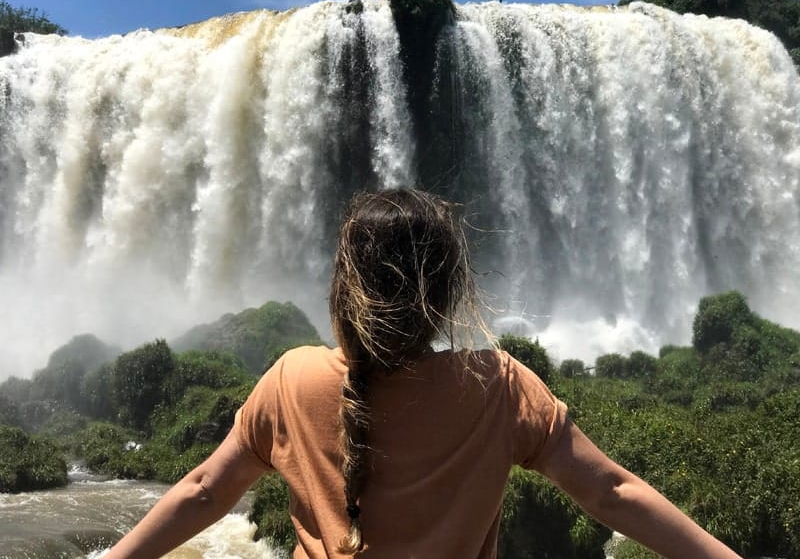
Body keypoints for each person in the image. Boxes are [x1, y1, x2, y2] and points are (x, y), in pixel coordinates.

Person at [106, 188, 741, 558]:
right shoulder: (497, 383)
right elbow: (610, 492)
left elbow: (204, 492)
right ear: (448, 291)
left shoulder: (290, 378)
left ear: (343, 287)